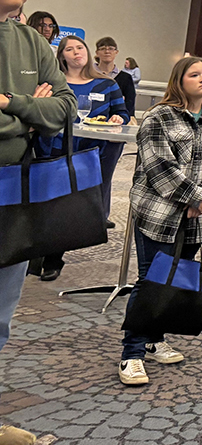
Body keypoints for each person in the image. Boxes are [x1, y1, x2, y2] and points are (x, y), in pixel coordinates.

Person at [118, 57, 202, 386]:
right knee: (153, 281)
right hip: (160, 213)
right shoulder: (159, 116)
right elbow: (159, 168)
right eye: (194, 74)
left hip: (198, 217)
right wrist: (193, 196)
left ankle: (155, 339)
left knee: (175, 279)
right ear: (178, 80)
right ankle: (132, 353)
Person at [0, 0, 74, 445]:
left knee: (1, 310)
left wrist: (12, 103)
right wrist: (31, 110)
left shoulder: (33, 43)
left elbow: (65, 108)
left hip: (14, 187)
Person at [37, 35, 129, 280]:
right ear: (62, 56)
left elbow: (122, 113)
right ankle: (35, 255)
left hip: (88, 154)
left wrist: (118, 119)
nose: (77, 52)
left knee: (68, 208)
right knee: (46, 204)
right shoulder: (53, 83)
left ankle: (54, 259)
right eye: (70, 49)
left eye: (80, 48)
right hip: (52, 150)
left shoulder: (107, 84)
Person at [94, 37, 137, 119]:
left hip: (116, 122)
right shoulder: (88, 74)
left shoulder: (126, 78)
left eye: (110, 49)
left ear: (116, 52)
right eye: (103, 49)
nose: (107, 51)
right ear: (97, 52)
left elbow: (129, 104)